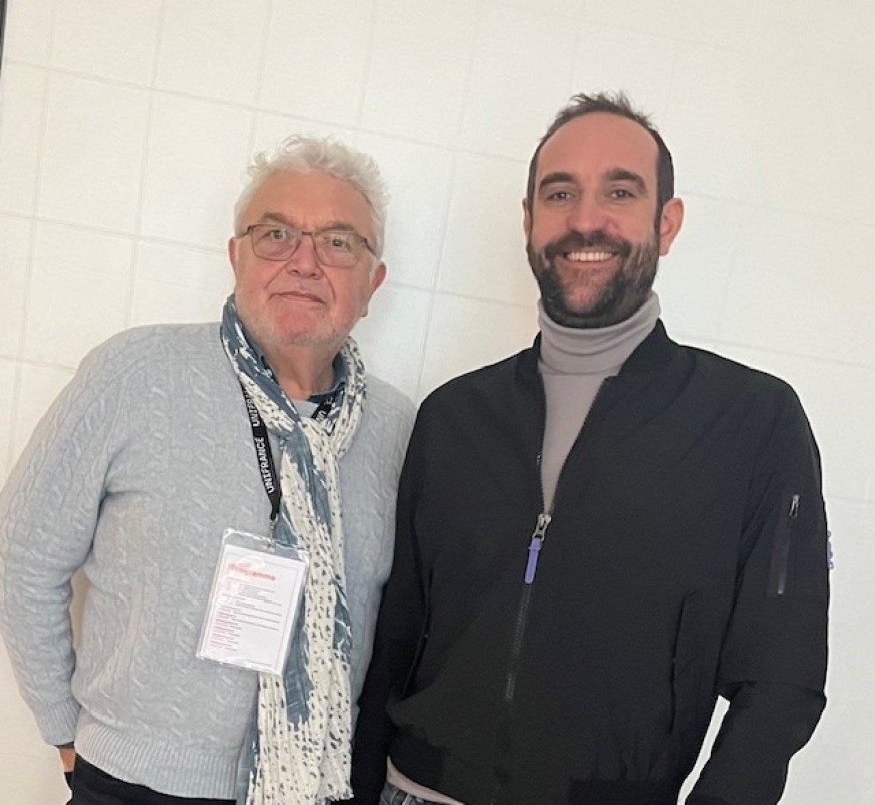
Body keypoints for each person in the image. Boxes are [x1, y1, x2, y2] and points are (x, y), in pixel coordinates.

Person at [350, 93, 829, 805]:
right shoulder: (452, 417)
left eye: (620, 191)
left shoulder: (753, 422)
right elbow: (392, 641)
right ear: (528, 220)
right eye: (560, 193)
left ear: (666, 223)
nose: (584, 219)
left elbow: (781, 677)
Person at [0, 135, 415, 805]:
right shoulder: (136, 373)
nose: (304, 262)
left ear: (373, 282)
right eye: (275, 234)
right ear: (235, 257)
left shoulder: (399, 429)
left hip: (317, 789)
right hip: (132, 785)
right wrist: (63, 729)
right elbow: (23, 553)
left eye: (339, 242)